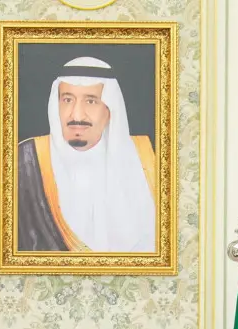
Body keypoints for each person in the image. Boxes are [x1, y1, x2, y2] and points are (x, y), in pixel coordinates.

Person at [17, 56, 156, 252]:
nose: (77, 115)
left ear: (109, 110)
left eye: (91, 101)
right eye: (67, 100)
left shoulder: (151, 159)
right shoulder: (24, 162)